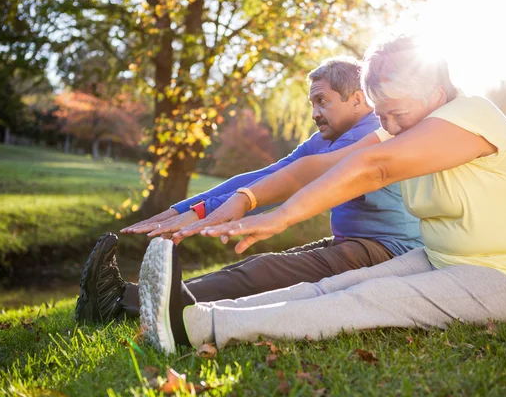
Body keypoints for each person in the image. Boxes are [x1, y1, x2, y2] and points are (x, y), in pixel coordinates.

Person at [137, 36, 506, 354]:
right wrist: (247, 198)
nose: (389, 126)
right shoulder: (406, 123)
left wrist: (282, 217)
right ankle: (186, 312)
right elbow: (311, 167)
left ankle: (198, 330)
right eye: (381, 114)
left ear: (435, 95)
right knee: (336, 285)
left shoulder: (472, 116)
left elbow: (372, 168)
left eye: (397, 113)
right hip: (445, 258)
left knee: (369, 300)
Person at [74, 56, 422, 324]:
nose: (314, 113)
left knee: (266, 271)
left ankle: (124, 304)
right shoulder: (324, 139)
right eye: (312, 103)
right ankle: (132, 298)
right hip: (358, 245)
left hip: (390, 252)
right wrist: (186, 208)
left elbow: (300, 177)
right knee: (262, 265)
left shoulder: (377, 130)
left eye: (322, 101)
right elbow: (268, 175)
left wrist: (215, 209)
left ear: (358, 99)